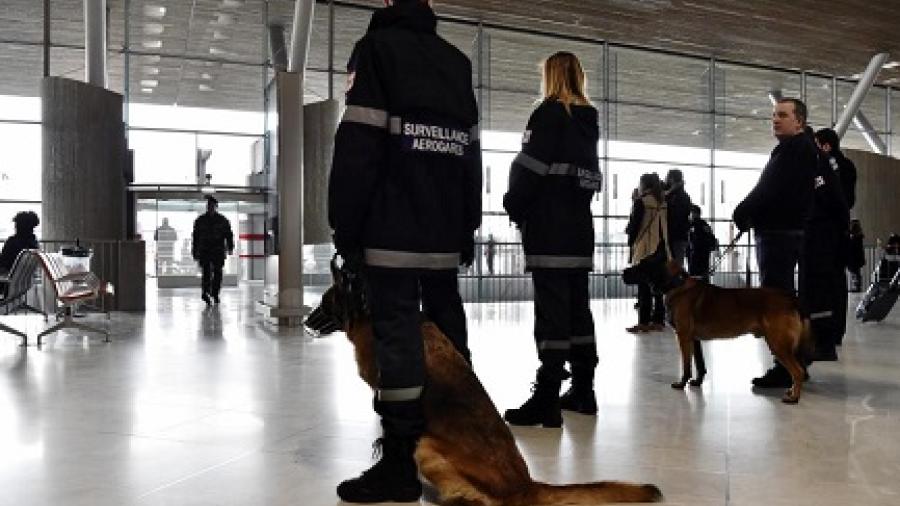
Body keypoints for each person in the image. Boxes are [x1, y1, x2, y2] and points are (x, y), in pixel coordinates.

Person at [327, 0, 481, 502]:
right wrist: (467, 226)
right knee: (447, 328)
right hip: (443, 230)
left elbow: (359, 145)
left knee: (397, 338)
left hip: (390, 227)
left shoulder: (375, 51)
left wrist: (345, 227)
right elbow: (469, 156)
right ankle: (458, 442)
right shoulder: (457, 63)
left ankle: (398, 462)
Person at [502, 51, 602, 427]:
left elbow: (529, 167)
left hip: (548, 229)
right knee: (579, 313)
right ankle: (583, 391)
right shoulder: (589, 120)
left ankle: (546, 398)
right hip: (580, 229)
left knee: (551, 315)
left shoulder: (547, 113)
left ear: (550, 76)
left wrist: (513, 204)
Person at [733, 98, 816, 388]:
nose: (775, 120)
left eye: (782, 115)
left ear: (799, 122)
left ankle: (786, 368)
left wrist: (743, 211)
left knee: (776, 302)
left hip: (778, 234)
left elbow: (769, 189)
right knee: (782, 297)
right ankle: (795, 364)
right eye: (773, 115)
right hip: (781, 232)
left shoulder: (795, 150)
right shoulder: (794, 149)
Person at [805, 126, 850, 361]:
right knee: (837, 285)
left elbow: (833, 199)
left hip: (824, 233)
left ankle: (824, 338)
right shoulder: (847, 166)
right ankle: (835, 333)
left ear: (825, 145)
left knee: (821, 286)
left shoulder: (824, 166)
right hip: (838, 234)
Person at [625, 173, 670, 333]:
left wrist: (630, 242)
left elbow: (634, 226)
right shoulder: (662, 201)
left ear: (644, 184)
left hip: (644, 247)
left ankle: (644, 321)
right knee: (657, 285)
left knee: (643, 285)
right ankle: (658, 320)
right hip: (661, 248)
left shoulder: (642, 201)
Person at [191, 196, 234, 306]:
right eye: (208, 206)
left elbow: (228, 235)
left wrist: (230, 247)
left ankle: (215, 293)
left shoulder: (222, 220)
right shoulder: (200, 220)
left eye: (212, 206)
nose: (210, 208)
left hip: (218, 251)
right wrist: (195, 251)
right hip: (205, 250)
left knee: (218, 273)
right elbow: (195, 237)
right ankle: (205, 292)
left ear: (216, 207)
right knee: (206, 273)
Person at [814, 128, 857, 210]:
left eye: (817, 144)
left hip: (826, 217)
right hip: (843, 215)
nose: (815, 149)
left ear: (826, 146)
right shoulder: (849, 164)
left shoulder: (825, 166)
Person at [664, 169, 692, 267]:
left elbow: (677, 217)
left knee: (675, 267)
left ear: (671, 179)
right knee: (675, 266)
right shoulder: (681, 195)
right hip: (678, 236)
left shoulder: (678, 196)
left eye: (667, 177)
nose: (665, 179)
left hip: (676, 237)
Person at [686, 205, 717, 281]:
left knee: (694, 275)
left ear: (695, 213)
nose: (691, 215)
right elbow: (712, 238)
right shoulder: (704, 224)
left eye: (692, 213)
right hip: (703, 254)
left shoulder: (692, 225)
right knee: (703, 275)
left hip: (695, 254)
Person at [847, 220, 865, 293]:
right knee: (855, 273)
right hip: (856, 258)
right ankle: (857, 287)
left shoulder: (856, 237)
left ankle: (857, 287)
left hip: (854, 258)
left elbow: (853, 247)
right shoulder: (858, 236)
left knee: (855, 273)